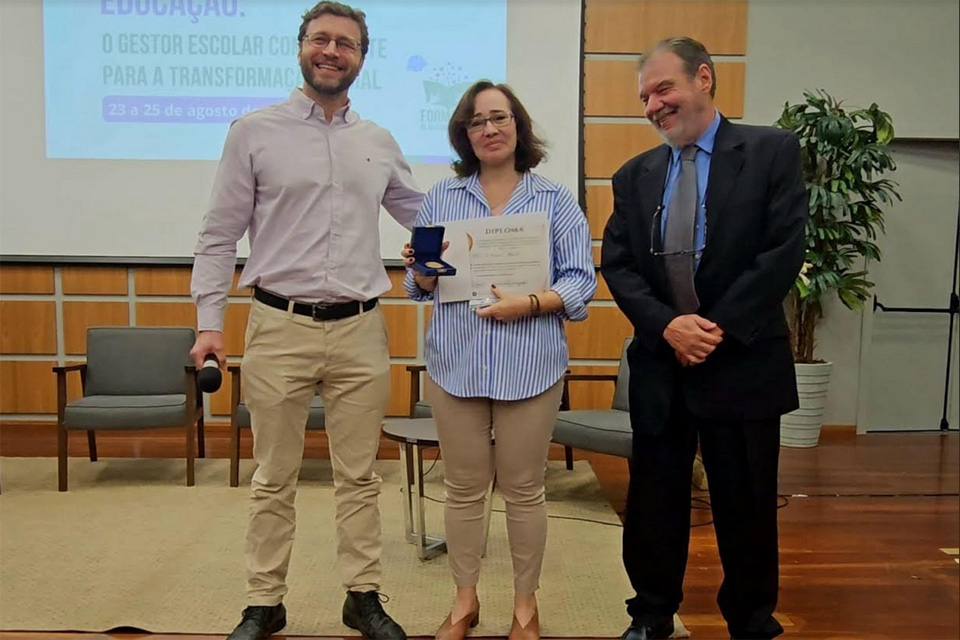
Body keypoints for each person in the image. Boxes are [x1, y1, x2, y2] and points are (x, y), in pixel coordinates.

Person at [189, 3, 423, 639]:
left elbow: (427, 218)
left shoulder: (377, 142)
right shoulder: (253, 132)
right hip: (278, 325)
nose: (331, 50)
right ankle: (265, 601)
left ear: (360, 58)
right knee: (273, 476)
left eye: (345, 43)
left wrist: (495, 223)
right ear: (300, 48)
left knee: (359, 475)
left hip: (360, 330)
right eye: (320, 39)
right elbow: (218, 236)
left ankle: (363, 596)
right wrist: (209, 324)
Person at [600, 38, 807, 640]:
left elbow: (782, 250)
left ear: (705, 79)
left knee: (745, 502)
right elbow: (619, 265)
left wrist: (710, 330)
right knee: (654, 503)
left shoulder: (771, 151)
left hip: (740, 357)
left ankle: (750, 618)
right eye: (644, 97)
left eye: (663, 89)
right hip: (663, 364)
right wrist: (668, 326)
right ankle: (651, 614)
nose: (652, 106)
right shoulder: (632, 176)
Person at [401, 80, 596, 640]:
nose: (489, 129)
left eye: (499, 118)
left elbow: (581, 282)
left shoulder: (554, 200)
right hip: (455, 363)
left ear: (519, 126)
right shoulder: (441, 198)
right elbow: (422, 287)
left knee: (523, 489)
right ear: (465, 134)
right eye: (477, 121)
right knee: (462, 488)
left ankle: (525, 608)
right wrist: (420, 268)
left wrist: (531, 303)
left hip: (530, 363)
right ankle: (465, 603)